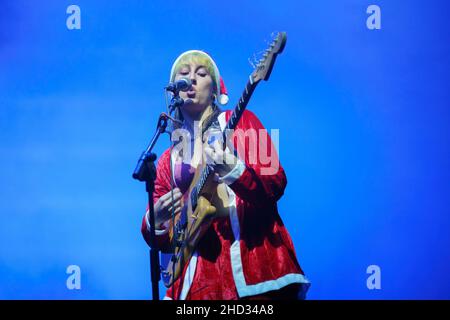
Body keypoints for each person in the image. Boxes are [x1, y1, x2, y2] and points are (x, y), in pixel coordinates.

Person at [141, 50, 310, 300]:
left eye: (201, 73)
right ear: (174, 91)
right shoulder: (167, 160)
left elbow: (275, 183)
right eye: (184, 74)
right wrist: (155, 222)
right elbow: (164, 243)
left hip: (254, 270)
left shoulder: (240, 122)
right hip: (194, 288)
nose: (191, 79)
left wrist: (233, 170)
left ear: (215, 90)